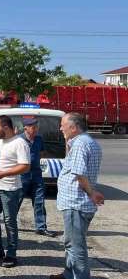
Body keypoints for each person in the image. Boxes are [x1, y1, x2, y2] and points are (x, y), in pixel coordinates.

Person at [50, 113, 103, 279]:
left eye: (62, 125)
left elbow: (79, 173)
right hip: (79, 202)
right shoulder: (86, 141)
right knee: (72, 243)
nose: (60, 128)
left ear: (73, 127)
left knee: (75, 246)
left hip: (76, 203)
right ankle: (68, 274)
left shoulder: (80, 144)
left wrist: (91, 193)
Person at [0, 115, 30, 268]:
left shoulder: (20, 143)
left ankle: (11, 254)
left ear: (6, 127)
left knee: (9, 221)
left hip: (10, 189)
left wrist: (3, 174)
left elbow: (25, 166)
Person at [19, 117, 57, 237]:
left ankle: (41, 227)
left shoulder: (39, 139)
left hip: (36, 174)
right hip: (22, 175)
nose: (35, 129)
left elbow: (41, 153)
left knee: (39, 201)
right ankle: (10, 225)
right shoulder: (19, 140)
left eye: (36, 127)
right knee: (16, 201)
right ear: (25, 127)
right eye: (33, 127)